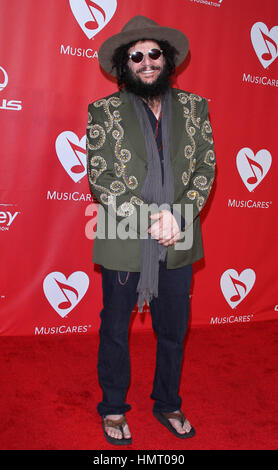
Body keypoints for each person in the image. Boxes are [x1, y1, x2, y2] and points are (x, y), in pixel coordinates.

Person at [86, 15, 215, 446]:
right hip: (125, 236)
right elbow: (102, 177)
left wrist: (177, 217)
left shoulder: (196, 107)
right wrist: (151, 218)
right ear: (124, 64)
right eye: (135, 55)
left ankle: (167, 401)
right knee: (115, 326)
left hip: (177, 236)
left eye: (153, 53)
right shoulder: (103, 111)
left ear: (167, 58)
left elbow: (205, 167)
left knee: (174, 327)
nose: (146, 62)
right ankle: (114, 407)